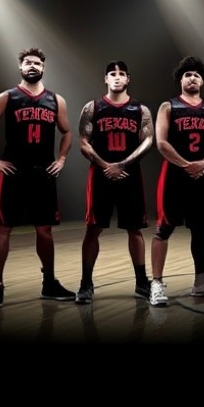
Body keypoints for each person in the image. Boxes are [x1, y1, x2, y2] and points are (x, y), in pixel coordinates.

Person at [0, 47, 75, 309]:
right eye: (28, 62)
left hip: (42, 173)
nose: (33, 66)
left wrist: (61, 159)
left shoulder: (56, 100)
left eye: (37, 63)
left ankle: (49, 283)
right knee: (3, 228)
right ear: (20, 67)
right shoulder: (7, 97)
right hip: (14, 172)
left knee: (44, 230)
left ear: (43, 68)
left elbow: (67, 132)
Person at [74, 60, 154, 304]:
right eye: (112, 73)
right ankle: (86, 283)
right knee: (93, 229)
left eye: (121, 74)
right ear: (105, 79)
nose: (117, 77)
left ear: (128, 78)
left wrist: (122, 164)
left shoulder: (140, 110)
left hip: (129, 175)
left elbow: (148, 140)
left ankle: (141, 282)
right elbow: (83, 142)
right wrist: (106, 165)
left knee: (135, 229)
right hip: (100, 175)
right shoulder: (92, 107)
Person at [149, 56, 204, 306]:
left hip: (201, 176)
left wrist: (202, 164)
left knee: (200, 229)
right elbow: (161, 142)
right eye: (187, 75)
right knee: (164, 229)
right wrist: (186, 165)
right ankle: (156, 284)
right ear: (180, 80)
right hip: (174, 176)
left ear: (202, 81)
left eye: (196, 75)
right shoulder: (168, 106)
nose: (192, 78)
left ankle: (201, 283)